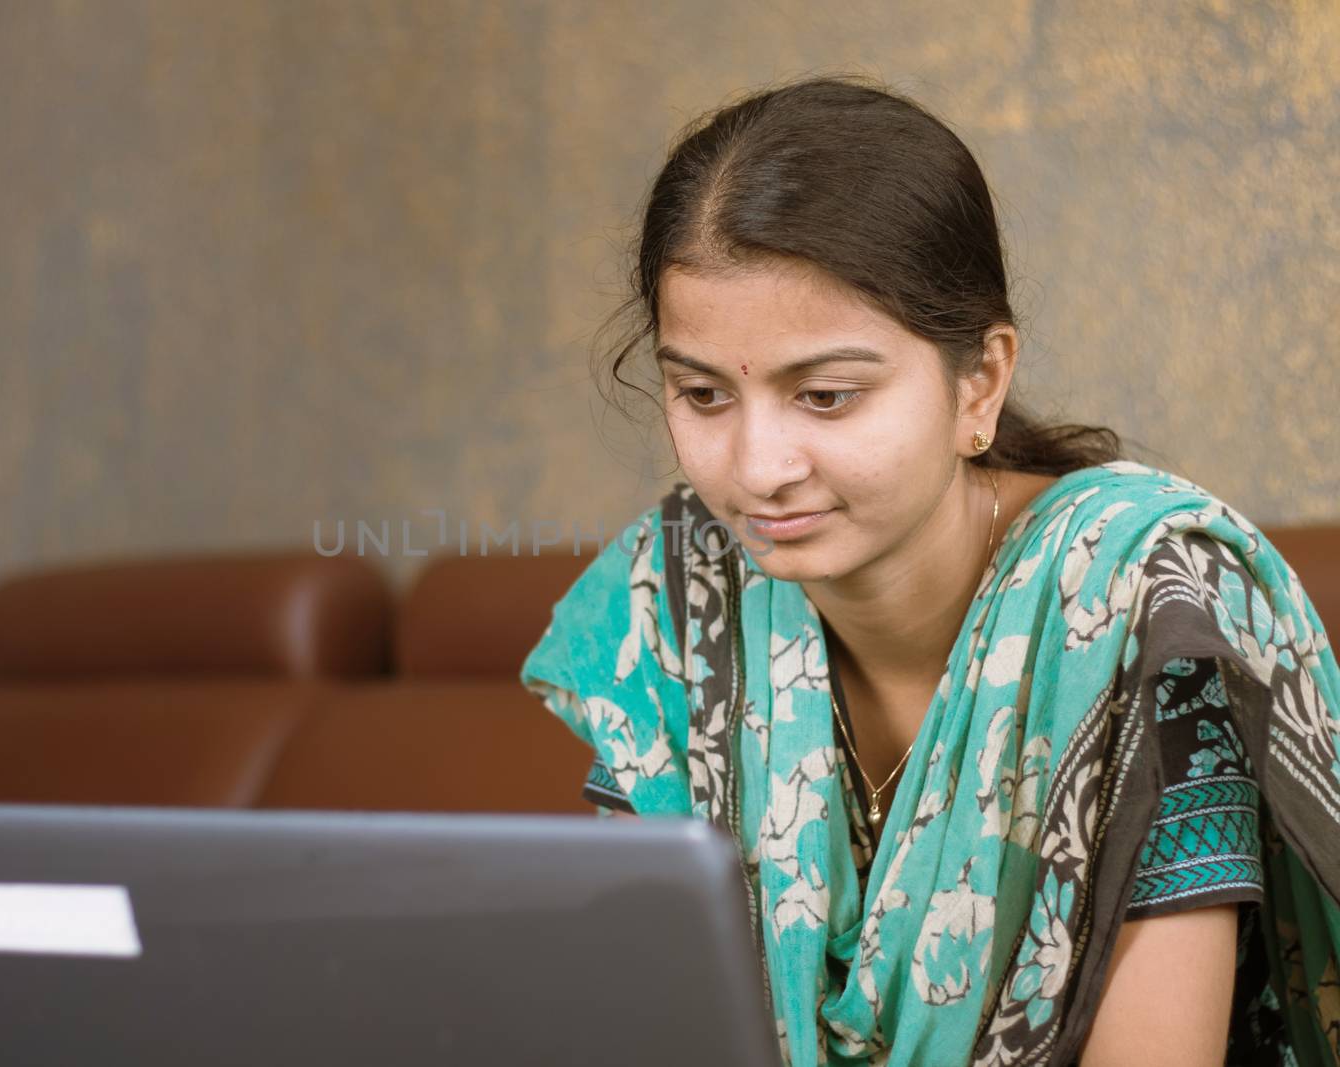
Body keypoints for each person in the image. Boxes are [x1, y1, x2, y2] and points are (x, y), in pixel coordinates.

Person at [518, 75, 1340, 1067]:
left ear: (977, 381)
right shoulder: (684, 599)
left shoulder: (1144, 603)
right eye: (701, 393)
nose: (756, 468)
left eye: (824, 396)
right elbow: (629, 1011)